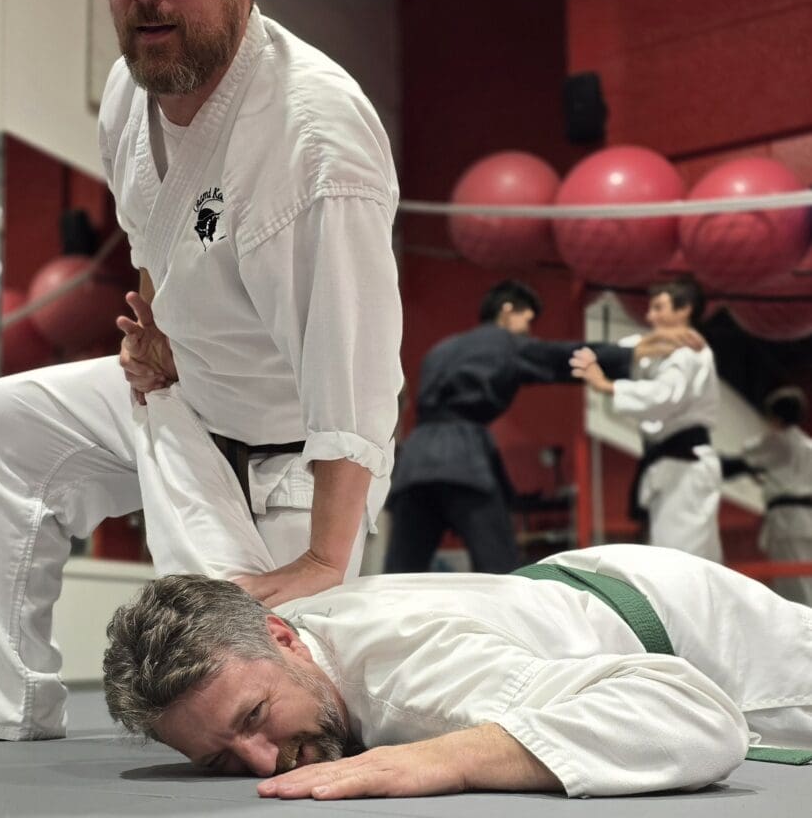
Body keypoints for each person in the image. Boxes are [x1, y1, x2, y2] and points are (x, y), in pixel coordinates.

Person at [0, 0, 401, 744]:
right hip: (184, 400)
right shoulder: (131, 95)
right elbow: (153, 232)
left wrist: (325, 561)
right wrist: (153, 326)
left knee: (253, 714)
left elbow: (358, 379)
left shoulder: (314, 140)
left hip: (296, 468)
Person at [102, 542, 812, 799]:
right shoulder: (279, 640)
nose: (261, 762)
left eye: (255, 717)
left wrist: (449, 757)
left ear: (283, 637)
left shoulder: (421, 684)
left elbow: (697, 719)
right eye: (220, 761)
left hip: (723, 641)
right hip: (580, 591)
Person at [383, 279, 697, 574]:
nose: (528, 330)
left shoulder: (440, 350)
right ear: (507, 310)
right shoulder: (504, 344)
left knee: (400, 572)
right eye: (527, 320)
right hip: (464, 459)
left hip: (414, 462)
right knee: (498, 568)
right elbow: (559, 358)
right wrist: (632, 353)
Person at [572, 277, 723, 561]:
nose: (650, 315)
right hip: (670, 463)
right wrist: (646, 344)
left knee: (683, 557)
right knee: (671, 552)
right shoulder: (654, 346)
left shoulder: (690, 350)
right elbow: (619, 352)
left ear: (684, 309)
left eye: (659, 307)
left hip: (686, 463)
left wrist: (608, 386)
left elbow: (663, 397)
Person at [724, 387, 812, 606]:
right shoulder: (808, 446)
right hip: (805, 519)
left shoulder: (778, 440)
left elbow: (746, 457)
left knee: (794, 586)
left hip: (788, 522)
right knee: (805, 581)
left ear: (776, 417)